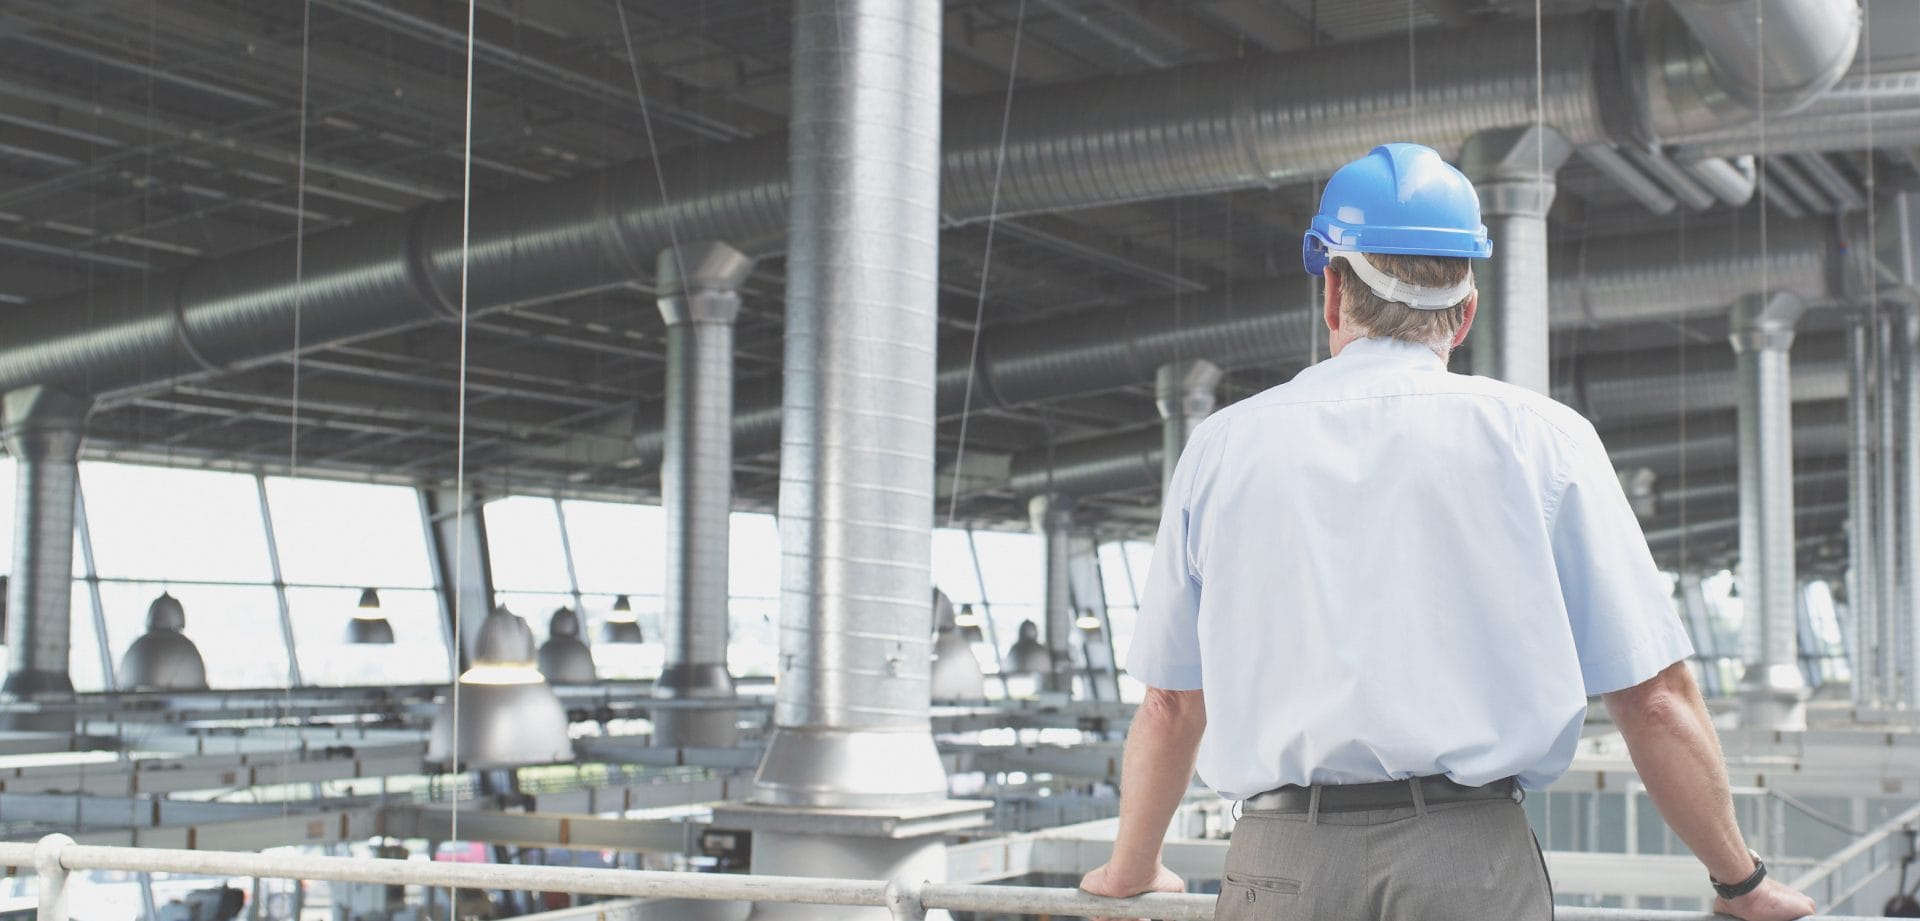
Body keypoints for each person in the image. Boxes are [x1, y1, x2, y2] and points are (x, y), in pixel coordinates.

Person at [1076, 143, 1818, 921]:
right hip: (1469, 866)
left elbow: (1170, 703)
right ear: (1464, 313)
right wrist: (1742, 881)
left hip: (1278, 865)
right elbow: (1655, 697)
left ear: (1332, 291)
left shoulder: (1220, 448)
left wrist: (1131, 870)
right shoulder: (1544, 439)